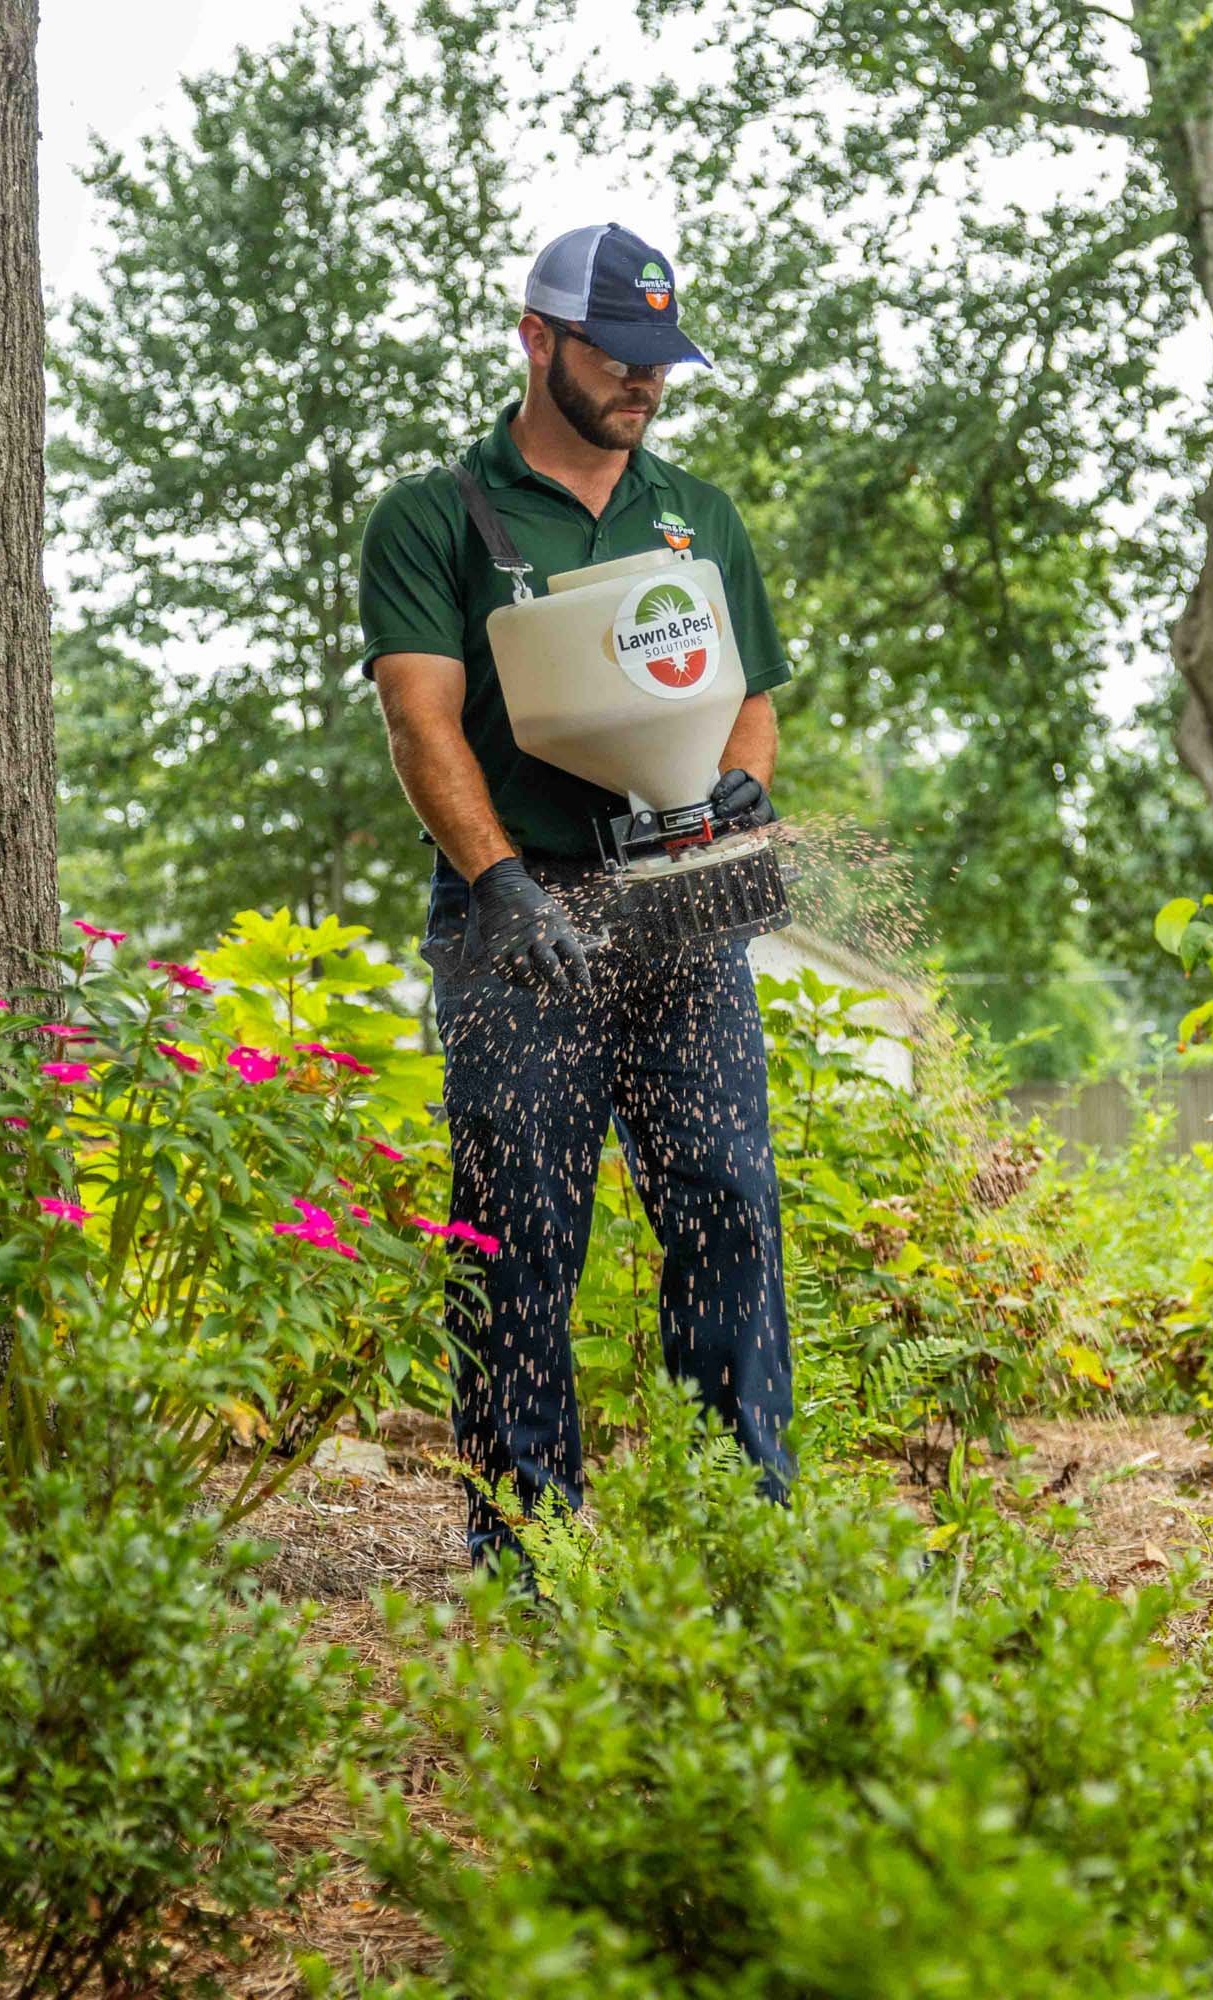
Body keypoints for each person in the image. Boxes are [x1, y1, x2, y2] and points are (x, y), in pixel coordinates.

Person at [355, 223, 795, 1570]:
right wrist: (495, 882)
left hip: (676, 901)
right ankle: (524, 1539)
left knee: (725, 1195)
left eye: (662, 359)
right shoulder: (438, 515)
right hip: (518, 910)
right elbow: (421, 719)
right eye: (617, 354)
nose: (644, 382)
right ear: (537, 338)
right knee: (522, 1225)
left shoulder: (696, 516)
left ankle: (742, 1528)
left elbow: (752, 707)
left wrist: (730, 791)